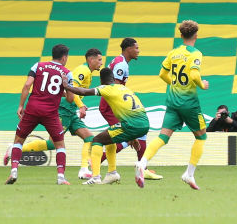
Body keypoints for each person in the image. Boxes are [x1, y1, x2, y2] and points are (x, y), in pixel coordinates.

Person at [136, 20, 210, 189]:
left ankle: (142, 163)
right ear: (196, 35)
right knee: (201, 136)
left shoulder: (173, 53)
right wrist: (202, 85)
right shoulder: (196, 54)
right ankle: (188, 174)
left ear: (182, 35)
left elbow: (162, 74)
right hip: (189, 103)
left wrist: (174, 84)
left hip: (172, 101)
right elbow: (193, 75)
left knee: (163, 136)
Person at [21, 47, 105, 179]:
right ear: (91, 59)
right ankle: (17, 149)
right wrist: (81, 105)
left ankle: (84, 169)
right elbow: (71, 88)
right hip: (65, 110)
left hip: (71, 111)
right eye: (99, 60)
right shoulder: (83, 71)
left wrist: (79, 105)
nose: (101, 63)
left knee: (89, 138)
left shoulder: (87, 71)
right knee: (52, 144)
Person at [4, 45, 74, 185]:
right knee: (60, 144)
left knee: (18, 141)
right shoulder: (67, 72)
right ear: (64, 57)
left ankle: (14, 171)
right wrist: (65, 87)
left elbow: (27, 85)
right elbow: (70, 99)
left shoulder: (38, 65)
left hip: (33, 109)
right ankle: (60, 177)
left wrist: (20, 106)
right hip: (51, 113)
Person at [74, 67, 151, 186]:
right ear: (114, 78)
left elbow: (83, 92)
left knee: (97, 140)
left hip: (132, 124)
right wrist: (133, 137)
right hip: (144, 123)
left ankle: (96, 177)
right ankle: (112, 173)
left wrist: (66, 86)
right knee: (109, 139)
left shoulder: (106, 88)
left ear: (101, 80)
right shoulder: (124, 88)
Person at [100, 37, 161, 180]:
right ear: (128, 49)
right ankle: (97, 161)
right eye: (137, 48)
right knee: (132, 134)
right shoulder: (121, 65)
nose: (138, 51)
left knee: (133, 135)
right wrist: (121, 108)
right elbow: (113, 87)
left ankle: (141, 168)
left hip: (111, 104)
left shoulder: (119, 61)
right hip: (111, 106)